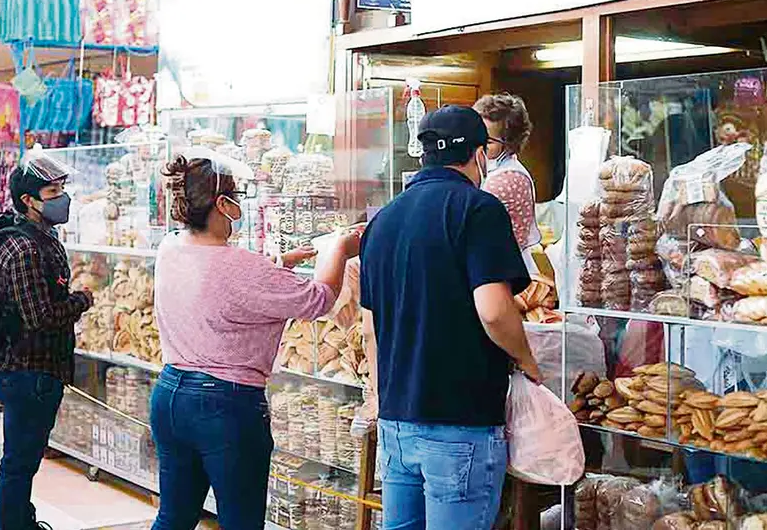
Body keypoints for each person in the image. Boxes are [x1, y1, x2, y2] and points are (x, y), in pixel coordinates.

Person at [150, 148, 360, 530]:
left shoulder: (170, 247)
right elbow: (320, 299)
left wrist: (280, 265)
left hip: (169, 396)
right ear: (222, 204)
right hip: (224, 407)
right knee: (241, 522)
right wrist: (341, 250)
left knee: (174, 516)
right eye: (238, 200)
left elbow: (228, 285)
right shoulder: (239, 265)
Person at [359, 105, 542, 530]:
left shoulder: (382, 221)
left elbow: (371, 326)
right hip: (460, 423)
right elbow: (495, 311)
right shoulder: (478, 210)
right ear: (480, 155)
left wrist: (379, 392)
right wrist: (527, 358)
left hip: (396, 423)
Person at [0, 147, 93, 530]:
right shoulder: (23, 247)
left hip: (39, 370)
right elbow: (40, 316)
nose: (62, 200)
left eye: (61, 190)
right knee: (18, 462)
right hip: (25, 370)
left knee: (25, 459)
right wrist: (81, 300)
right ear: (28, 201)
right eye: (52, 194)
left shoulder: (42, 237)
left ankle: (22, 520)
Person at [474, 93, 541, 275]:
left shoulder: (507, 179)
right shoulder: (493, 169)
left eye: (488, 141)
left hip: (506, 274)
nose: (478, 145)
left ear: (510, 143)